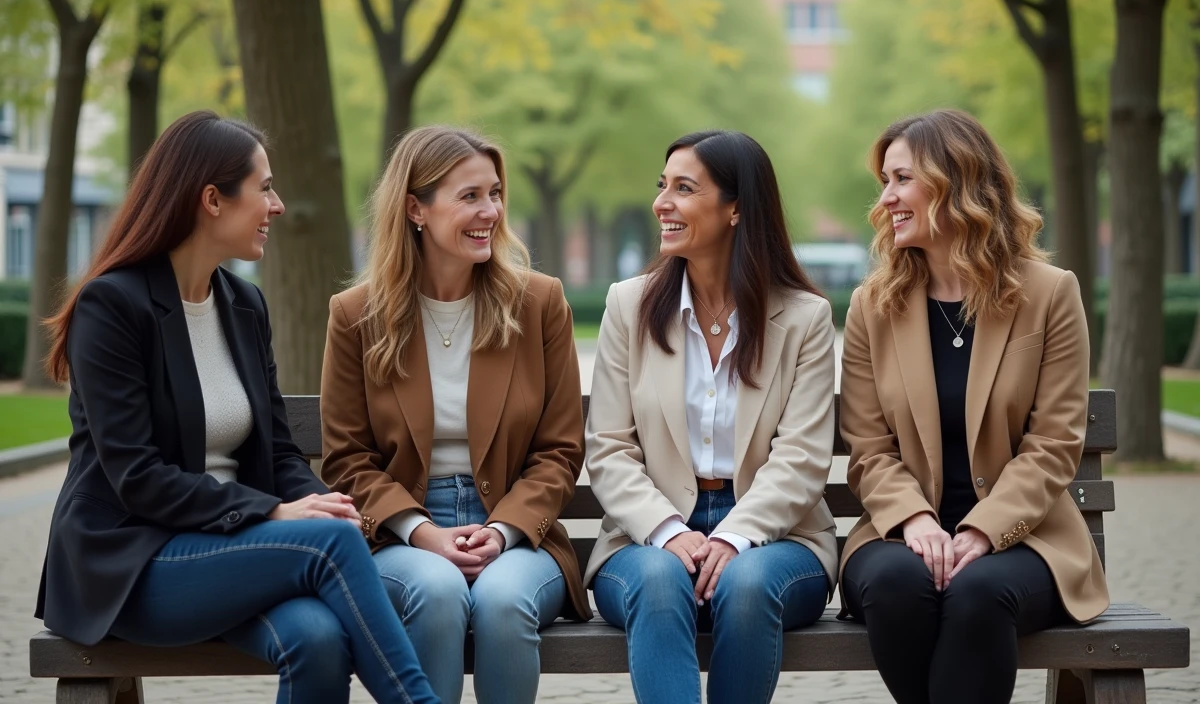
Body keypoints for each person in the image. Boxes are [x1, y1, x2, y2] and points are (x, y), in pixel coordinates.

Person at [35, 111, 439, 704]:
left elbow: (276, 450)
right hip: (131, 564)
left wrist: (314, 503)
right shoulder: (113, 307)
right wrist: (276, 515)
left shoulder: (243, 304)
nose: (277, 206)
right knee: (331, 545)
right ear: (211, 200)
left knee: (319, 637)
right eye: (265, 188)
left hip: (232, 554)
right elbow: (138, 480)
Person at [838, 109, 1109, 704]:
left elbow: (1055, 444)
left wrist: (983, 531)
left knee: (977, 592)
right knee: (897, 585)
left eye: (902, 179)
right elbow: (868, 450)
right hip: (897, 537)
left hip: (1026, 540)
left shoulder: (1049, 294)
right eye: (884, 182)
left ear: (955, 181)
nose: (885, 199)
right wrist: (914, 521)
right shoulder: (871, 307)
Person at [320, 125, 590, 704]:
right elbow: (347, 459)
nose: (489, 211)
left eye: (494, 194)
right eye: (469, 196)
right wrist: (422, 532)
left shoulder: (539, 303)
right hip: (398, 532)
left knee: (502, 600)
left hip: (516, 530)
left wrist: (500, 531)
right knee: (439, 592)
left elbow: (561, 451)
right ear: (415, 208)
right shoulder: (355, 315)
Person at [583, 130, 838, 704]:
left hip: (778, 538)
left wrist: (736, 535)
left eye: (684, 188)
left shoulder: (804, 319)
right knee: (657, 578)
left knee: (745, 586)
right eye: (661, 186)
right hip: (647, 533)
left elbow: (800, 457)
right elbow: (609, 447)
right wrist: (670, 532)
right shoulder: (629, 306)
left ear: (736, 208)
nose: (661, 203)